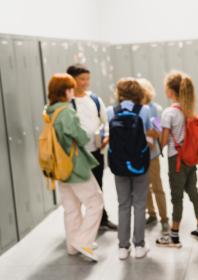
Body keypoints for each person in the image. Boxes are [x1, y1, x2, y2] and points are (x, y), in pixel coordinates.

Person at [45, 73, 103, 262]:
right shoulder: (67, 112)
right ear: (65, 91)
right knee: (96, 202)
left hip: (59, 166)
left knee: (71, 207)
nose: (73, 91)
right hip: (75, 165)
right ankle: (83, 241)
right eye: (71, 88)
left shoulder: (50, 111)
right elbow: (81, 137)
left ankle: (72, 245)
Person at [156, 71, 198, 248]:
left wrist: (155, 137)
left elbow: (163, 142)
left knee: (176, 197)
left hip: (175, 159)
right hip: (190, 159)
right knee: (194, 192)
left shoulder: (169, 113)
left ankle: (174, 236)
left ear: (171, 91)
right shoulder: (189, 111)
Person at [107, 78, 154, 260]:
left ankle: (123, 248)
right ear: (138, 93)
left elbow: (107, 135)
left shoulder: (111, 111)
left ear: (119, 93)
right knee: (140, 205)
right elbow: (150, 131)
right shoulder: (145, 110)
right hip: (140, 164)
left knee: (123, 205)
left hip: (119, 165)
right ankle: (140, 246)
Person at [66, 64, 117, 231]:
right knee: (79, 192)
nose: (86, 82)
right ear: (72, 79)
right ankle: (82, 226)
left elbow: (105, 121)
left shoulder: (94, 99)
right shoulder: (67, 103)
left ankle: (102, 220)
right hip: (77, 155)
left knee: (98, 187)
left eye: (88, 79)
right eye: (82, 79)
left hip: (96, 151)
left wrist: (107, 135)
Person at [138, 78, 170, 234]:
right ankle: (151, 214)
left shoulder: (155, 109)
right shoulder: (135, 109)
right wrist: (143, 133)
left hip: (152, 155)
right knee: (144, 188)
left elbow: (158, 132)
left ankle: (164, 219)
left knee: (157, 186)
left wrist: (144, 133)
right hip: (137, 155)